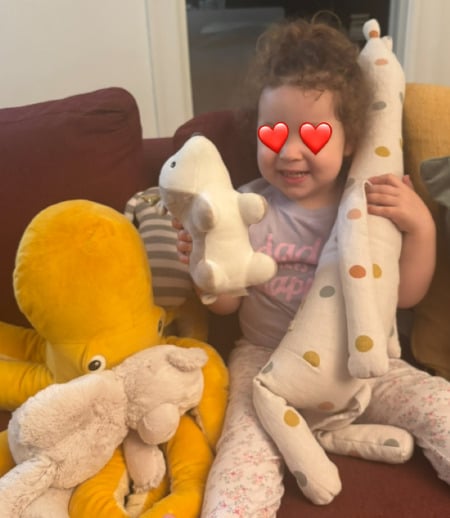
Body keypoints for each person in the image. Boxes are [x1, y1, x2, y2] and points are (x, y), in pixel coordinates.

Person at [174, 17, 449, 517]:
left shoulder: (370, 205)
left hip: (362, 362)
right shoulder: (245, 208)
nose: (291, 152)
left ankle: (334, 431)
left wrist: (420, 226)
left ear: (351, 140)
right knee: (241, 448)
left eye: (314, 136)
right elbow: (228, 304)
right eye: (273, 134)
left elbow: (405, 296)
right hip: (267, 361)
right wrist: (203, 262)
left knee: (439, 405)